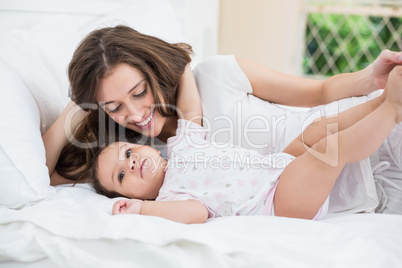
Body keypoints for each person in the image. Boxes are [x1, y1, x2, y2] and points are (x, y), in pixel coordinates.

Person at [43, 25, 402, 213]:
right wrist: (77, 106)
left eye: (139, 93)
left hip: (364, 126)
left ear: (154, 70)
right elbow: (40, 176)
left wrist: (370, 77)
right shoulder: (137, 162)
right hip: (367, 189)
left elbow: (320, 93)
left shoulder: (214, 76)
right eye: (114, 107)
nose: (135, 114)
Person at [90, 65, 402, 224]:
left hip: (278, 167)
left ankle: (380, 103)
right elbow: (195, 215)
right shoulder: (170, 198)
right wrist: (142, 210)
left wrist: (182, 67)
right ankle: (392, 109)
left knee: (318, 130)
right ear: (128, 195)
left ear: (144, 147)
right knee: (328, 152)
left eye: (128, 153)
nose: (130, 163)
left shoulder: (181, 145)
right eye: (122, 175)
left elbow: (191, 110)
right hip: (277, 203)